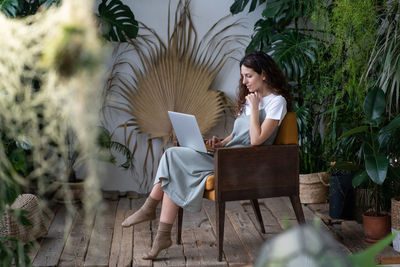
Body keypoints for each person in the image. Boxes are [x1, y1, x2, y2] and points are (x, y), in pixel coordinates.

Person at [121, 51, 292, 260]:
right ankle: (161, 236)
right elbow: (239, 134)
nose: (244, 81)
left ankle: (150, 211)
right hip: (227, 155)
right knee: (173, 158)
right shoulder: (250, 100)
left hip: (244, 164)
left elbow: (256, 140)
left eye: (249, 76)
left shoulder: (277, 102)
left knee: (173, 156)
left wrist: (255, 109)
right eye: (243, 76)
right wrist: (222, 142)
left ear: (263, 74)